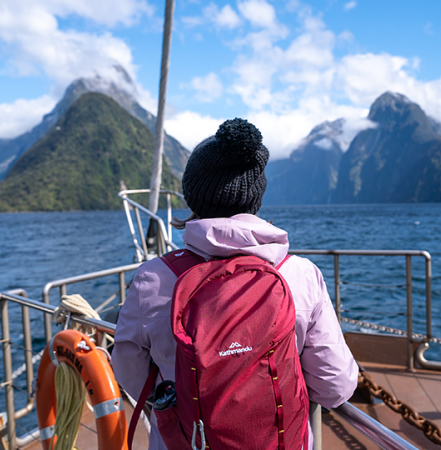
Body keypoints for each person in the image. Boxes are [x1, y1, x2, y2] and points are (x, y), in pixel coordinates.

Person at [112, 118, 358, 449]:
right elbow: (335, 387)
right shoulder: (300, 275)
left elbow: (129, 371)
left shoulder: (153, 278)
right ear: (256, 197)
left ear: (193, 195)